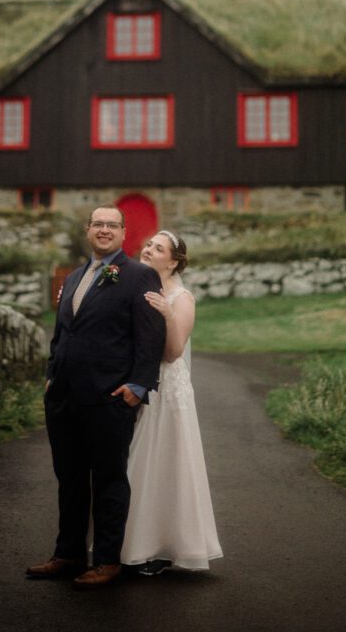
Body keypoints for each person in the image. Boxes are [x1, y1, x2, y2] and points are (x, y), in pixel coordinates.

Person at [26, 205, 165, 589]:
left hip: (110, 398)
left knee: (108, 480)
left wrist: (138, 387)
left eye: (112, 225)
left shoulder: (140, 275)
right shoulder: (72, 278)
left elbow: (150, 335)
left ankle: (106, 560)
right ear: (88, 230)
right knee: (69, 479)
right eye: (98, 224)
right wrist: (52, 376)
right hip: (64, 399)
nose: (104, 230)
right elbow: (63, 333)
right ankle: (68, 554)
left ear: (123, 233)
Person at [121, 230, 222, 575]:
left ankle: (162, 547)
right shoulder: (136, 286)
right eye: (148, 244)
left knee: (164, 465)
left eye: (158, 248)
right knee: (135, 462)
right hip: (136, 385)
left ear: (174, 261)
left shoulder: (182, 297)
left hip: (169, 391)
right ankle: (128, 544)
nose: (148, 249)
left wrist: (166, 313)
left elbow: (174, 351)